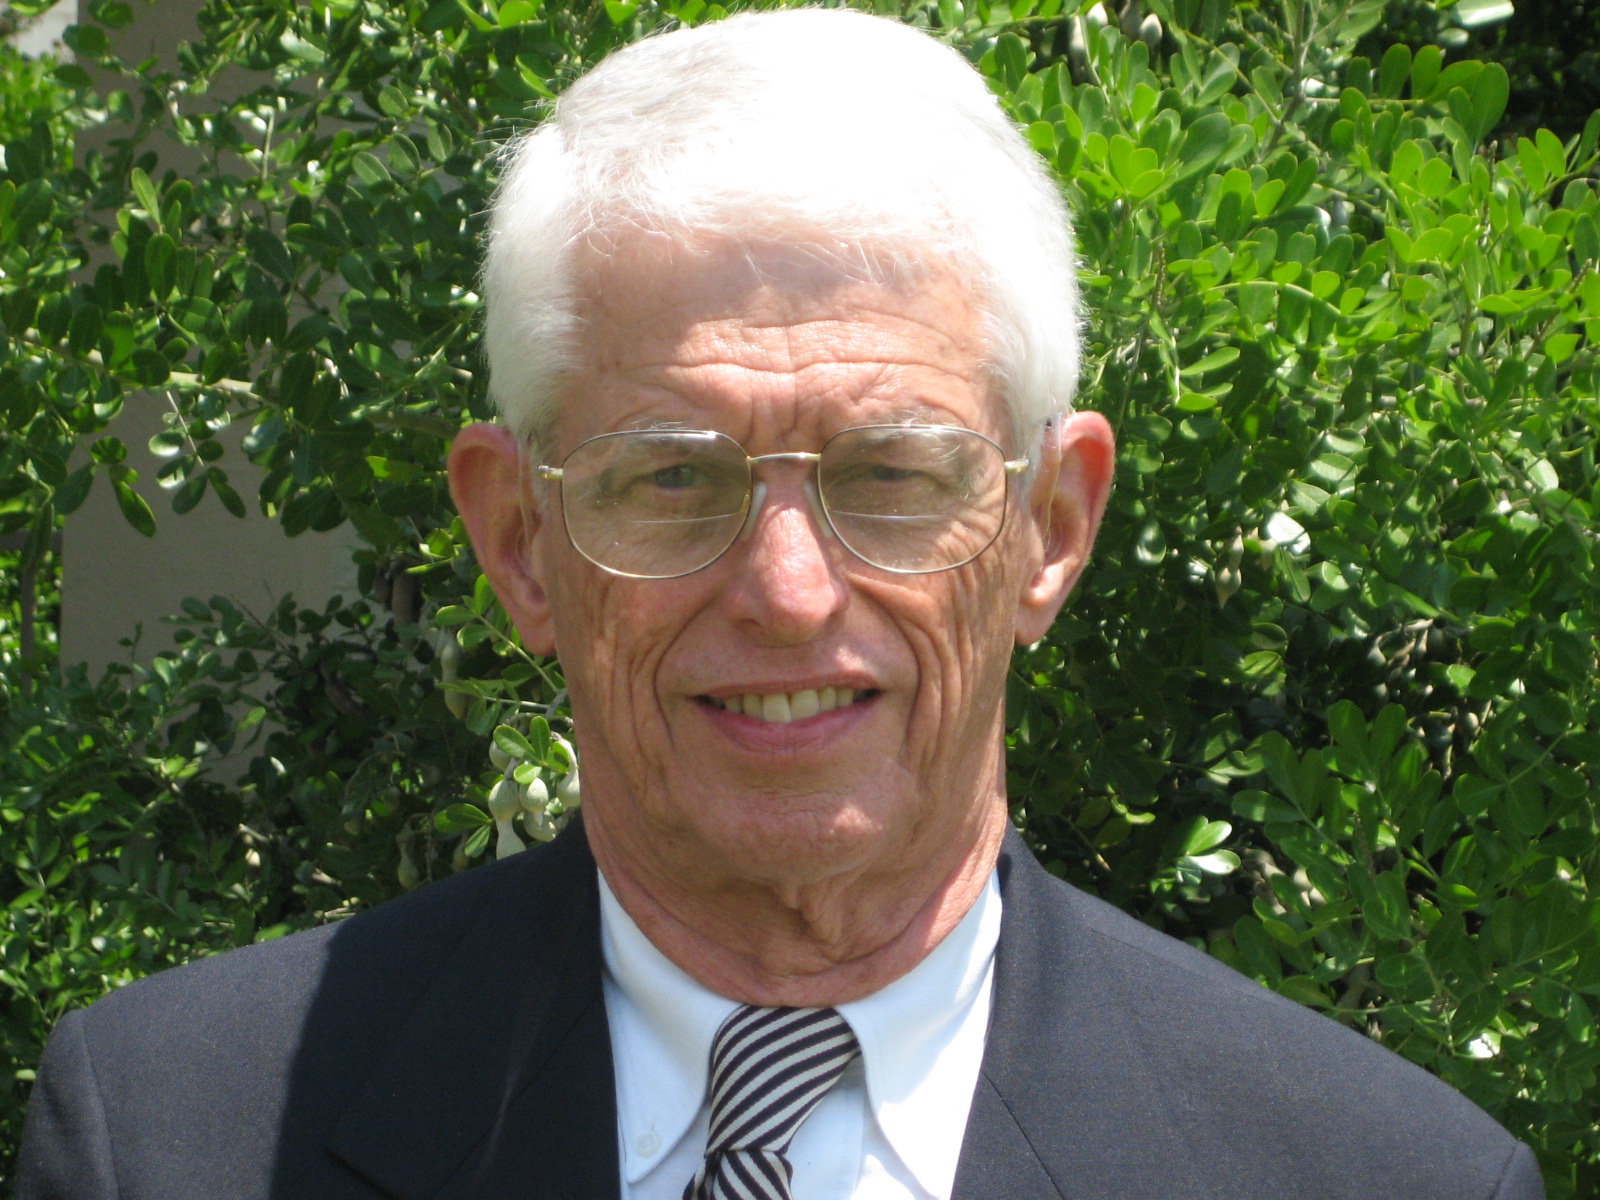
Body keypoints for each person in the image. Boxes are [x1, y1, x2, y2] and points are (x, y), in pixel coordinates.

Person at [18, 9, 1544, 1200]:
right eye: (673, 478)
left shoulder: (1378, 1175)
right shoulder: (169, 1140)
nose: (791, 594)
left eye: (893, 473)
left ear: (1050, 526)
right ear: (522, 543)